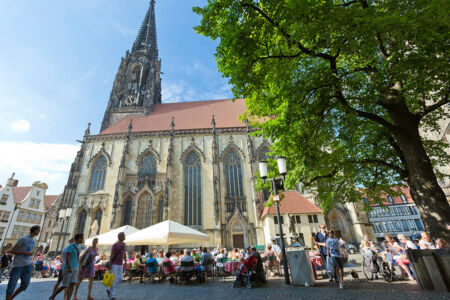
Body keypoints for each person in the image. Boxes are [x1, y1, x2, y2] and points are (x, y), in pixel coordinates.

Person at [6, 225, 40, 300]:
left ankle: (11, 298)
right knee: (11, 287)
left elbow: (28, 252)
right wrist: (24, 252)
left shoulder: (34, 241)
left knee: (25, 285)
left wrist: (29, 257)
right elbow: (12, 251)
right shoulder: (23, 239)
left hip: (27, 265)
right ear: (34, 230)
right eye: (38, 230)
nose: (39, 231)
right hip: (18, 265)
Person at [62, 234, 84, 300]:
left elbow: (77, 258)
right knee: (65, 285)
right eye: (82, 238)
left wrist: (79, 265)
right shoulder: (70, 247)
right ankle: (53, 296)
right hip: (69, 267)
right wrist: (69, 267)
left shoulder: (79, 247)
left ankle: (68, 298)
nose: (83, 239)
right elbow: (67, 257)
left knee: (72, 284)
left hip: (75, 267)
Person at [107, 232, 127, 300]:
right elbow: (112, 254)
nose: (125, 237)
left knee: (120, 278)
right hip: (114, 263)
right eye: (124, 236)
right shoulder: (115, 245)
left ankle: (109, 289)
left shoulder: (124, 244)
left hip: (120, 264)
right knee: (114, 279)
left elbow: (124, 253)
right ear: (120, 237)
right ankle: (112, 296)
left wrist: (126, 261)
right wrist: (110, 262)